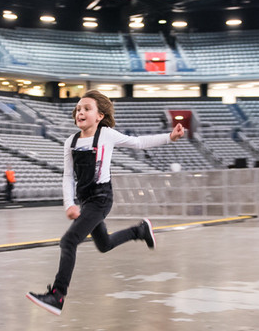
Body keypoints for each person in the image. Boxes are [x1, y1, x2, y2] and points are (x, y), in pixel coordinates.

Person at [26, 90, 185, 315]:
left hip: (101, 199)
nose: (80, 112)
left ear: (99, 115)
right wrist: (69, 204)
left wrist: (169, 137)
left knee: (68, 241)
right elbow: (68, 176)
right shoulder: (70, 142)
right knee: (105, 244)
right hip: (84, 200)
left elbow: (138, 143)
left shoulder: (107, 135)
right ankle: (140, 231)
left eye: (86, 109)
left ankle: (57, 295)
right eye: (78, 109)